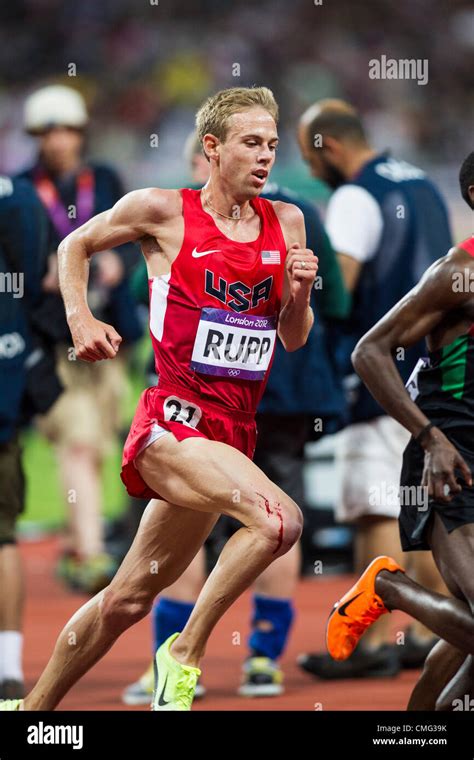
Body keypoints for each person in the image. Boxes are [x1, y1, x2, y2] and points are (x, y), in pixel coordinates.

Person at [0, 85, 317, 712]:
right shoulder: (163, 210)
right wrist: (81, 319)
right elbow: (74, 245)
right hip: (173, 424)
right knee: (280, 520)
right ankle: (184, 653)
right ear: (212, 148)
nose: (265, 158)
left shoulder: (289, 222)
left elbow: (293, 337)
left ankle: (32, 713)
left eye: (273, 146)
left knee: (126, 598)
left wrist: (300, 293)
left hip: (233, 431)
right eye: (251, 144)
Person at [122, 131, 350, 704]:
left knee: (239, 523)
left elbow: (146, 286)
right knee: (260, 521)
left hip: (239, 396)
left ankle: (172, 662)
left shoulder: (263, 217)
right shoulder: (298, 215)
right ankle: (261, 661)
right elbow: (339, 300)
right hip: (280, 397)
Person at [296, 99, 451, 678]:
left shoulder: (356, 195)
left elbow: (341, 285)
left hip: (383, 370)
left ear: (329, 147)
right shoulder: (425, 186)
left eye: (310, 159)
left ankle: (371, 643)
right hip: (436, 369)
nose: (311, 172)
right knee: (427, 509)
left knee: (375, 509)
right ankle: (436, 637)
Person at [325, 151, 474, 710]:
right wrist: (429, 436)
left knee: (468, 638)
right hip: (452, 459)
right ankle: (388, 587)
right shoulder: (458, 273)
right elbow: (371, 351)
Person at [17, 84, 142, 594]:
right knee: (79, 442)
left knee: (109, 444)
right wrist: (40, 273)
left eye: (67, 129)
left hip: (112, 343)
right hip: (57, 342)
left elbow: (139, 239)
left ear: (80, 133)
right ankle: (90, 554)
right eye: (49, 131)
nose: (60, 139)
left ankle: (84, 537)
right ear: (36, 136)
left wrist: (119, 259)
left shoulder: (106, 179)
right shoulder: (20, 190)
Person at [0, 175, 62, 699]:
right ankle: (8, 666)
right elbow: (43, 281)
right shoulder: (20, 199)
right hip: (5, 393)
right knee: (2, 536)